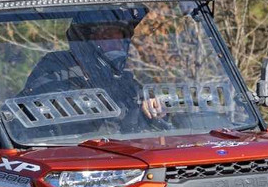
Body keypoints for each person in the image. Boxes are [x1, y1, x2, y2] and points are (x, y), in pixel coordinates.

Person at [20, 10, 166, 121]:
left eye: (121, 37)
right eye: (107, 37)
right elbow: (32, 108)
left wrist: (151, 105)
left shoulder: (122, 81)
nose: (117, 44)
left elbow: (147, 110)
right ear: (88, 40)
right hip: (68, 154)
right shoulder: (57, 66)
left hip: (119, 156)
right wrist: (80, 104)